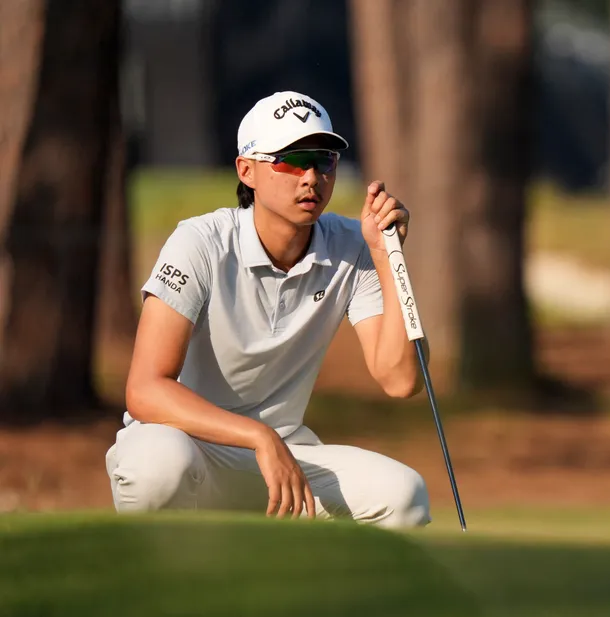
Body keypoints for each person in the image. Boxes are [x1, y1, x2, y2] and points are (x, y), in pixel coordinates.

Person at [104, 91, 431, 529]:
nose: (311, 177)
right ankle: (164, 569)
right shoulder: (199, 243)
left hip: (284, 455)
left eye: (323, 160)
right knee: (157, 468)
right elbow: (145, 390)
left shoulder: (355, 247)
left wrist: (387, 256)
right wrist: (258, 436)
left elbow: (401, 379)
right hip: (186, 444)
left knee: (403, 496)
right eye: (291, 161)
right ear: (247, 170)